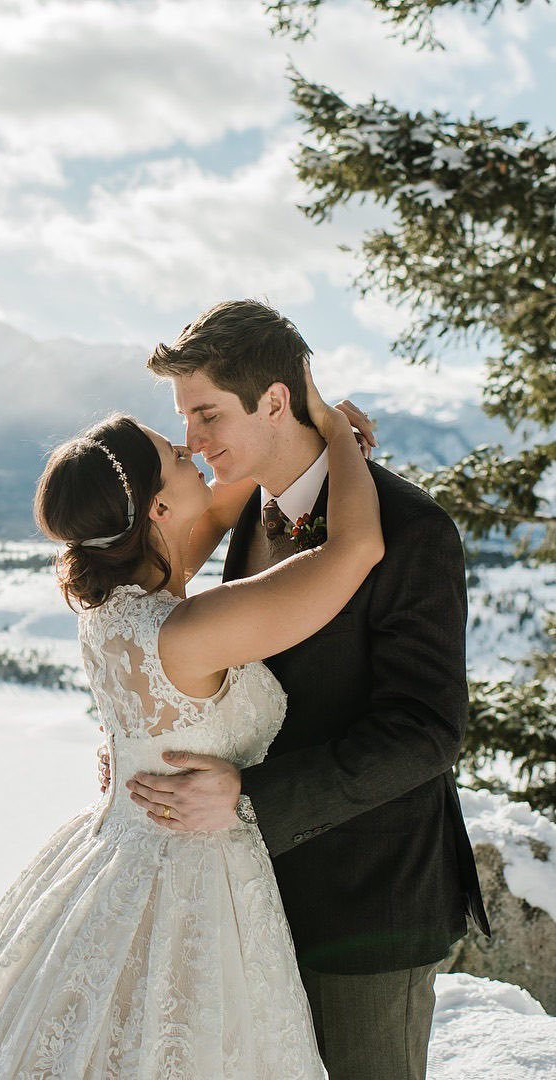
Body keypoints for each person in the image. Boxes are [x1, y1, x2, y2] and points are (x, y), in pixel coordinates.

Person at [0, 362, 380, 1078]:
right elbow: (356, 551)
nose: (198, 457)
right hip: (193, 877)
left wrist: (288, 440)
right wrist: (339, 438)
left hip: (120, 850)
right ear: (157, 510)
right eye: (180, 460)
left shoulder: (113, 598)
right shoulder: (189, 630)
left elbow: (218, 508)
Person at [100, 299, 489, 1080]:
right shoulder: (251, 509)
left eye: (206, 414)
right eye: (184, 419)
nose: (193, 441)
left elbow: (425, 731)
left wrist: (247, 800)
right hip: (257, 891)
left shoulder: (412, 532)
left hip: (367, 902)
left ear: (275, 400)